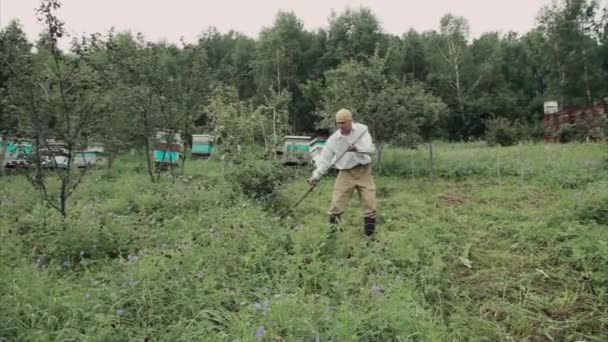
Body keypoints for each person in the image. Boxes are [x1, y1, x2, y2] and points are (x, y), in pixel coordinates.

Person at [307, 108, 377, 236]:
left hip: (364, 170)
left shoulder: (362, 130)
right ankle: (333, 236)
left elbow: (371, 149)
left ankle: (370, 238)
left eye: (343, 123)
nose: (341, 126)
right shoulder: (333, 140)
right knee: (336, 204)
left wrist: (357, 148)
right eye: (338, 123)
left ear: (351, 121)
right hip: (345, 172)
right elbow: (325, 161)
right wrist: (315, 177)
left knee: (369, 203)